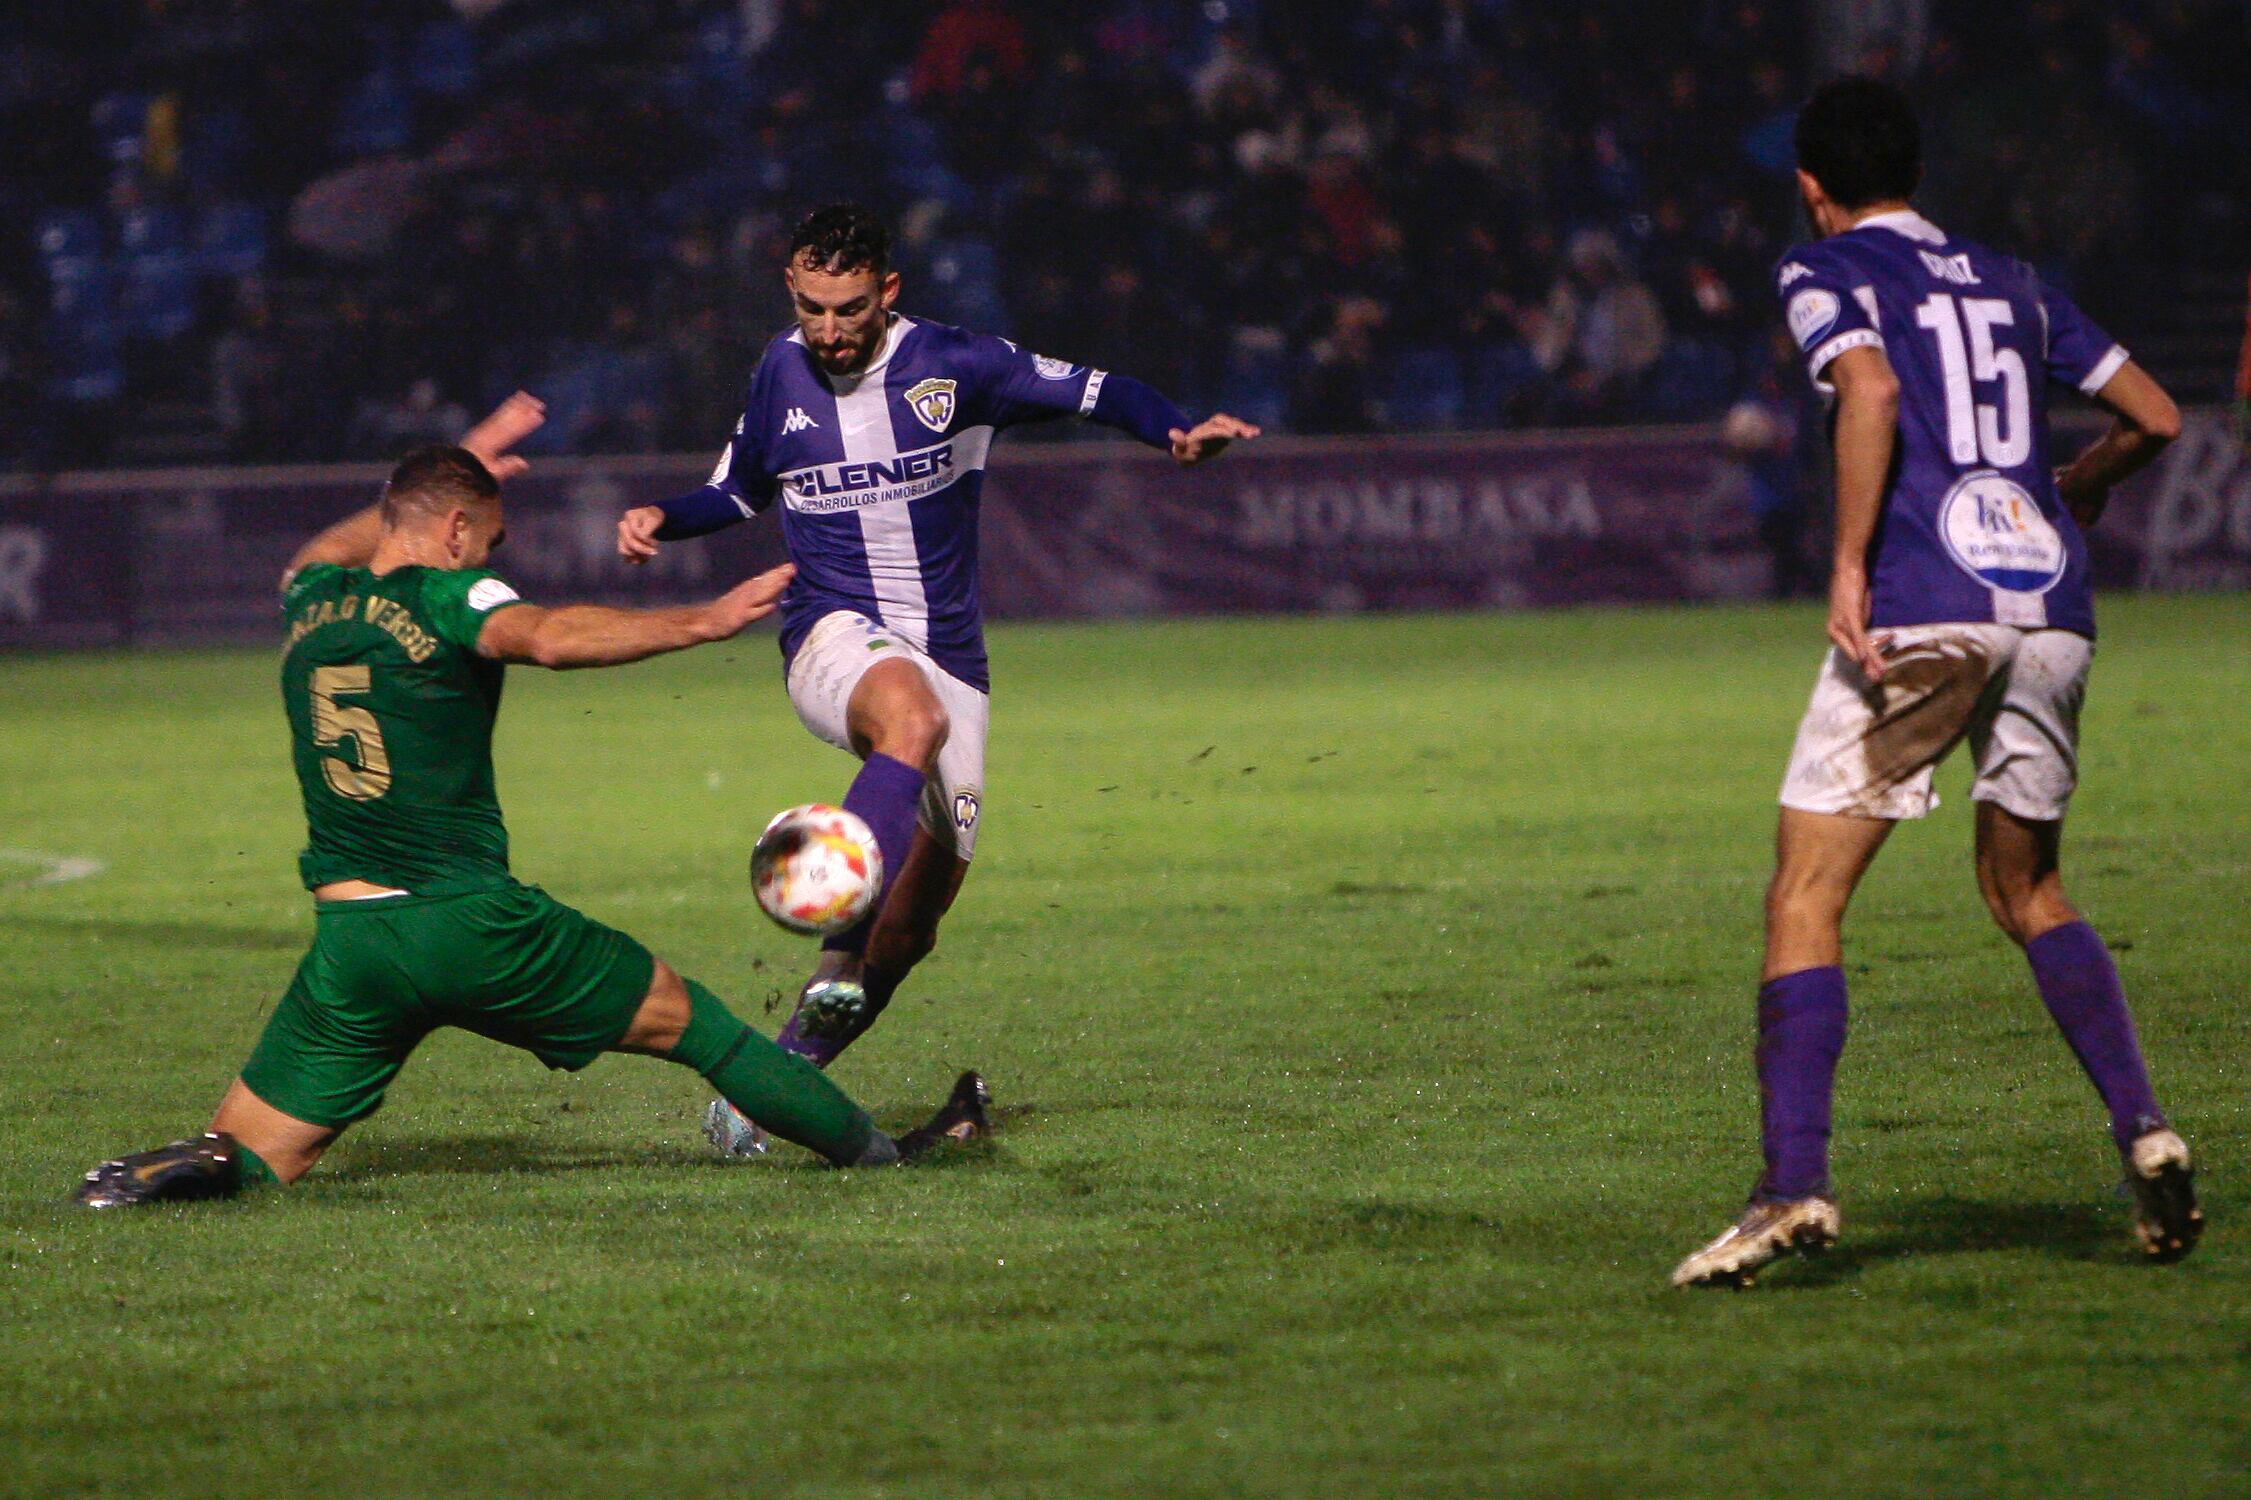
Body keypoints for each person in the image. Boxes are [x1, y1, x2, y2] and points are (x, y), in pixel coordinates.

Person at [75, 393, 988, 1208]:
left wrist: (461, 455)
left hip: (351, 943)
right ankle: (882, 1159)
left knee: (253, 1153)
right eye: (491, 537)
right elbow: (546, 636)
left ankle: (171, 1180)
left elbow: (331, 544)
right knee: (699, 1026)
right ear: (460, 530)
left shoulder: (311, 600)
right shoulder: (448, 595)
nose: (494, 554)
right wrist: (699, 621)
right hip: (470, 925)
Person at [1671, 78, 2198, 1287]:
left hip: (1924, 604)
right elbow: (2159, 415)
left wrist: (1848, 566)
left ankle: (1789, 1187)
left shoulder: (1826, 271)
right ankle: (2146, 1130)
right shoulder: (2010, 277)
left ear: (1812, 187)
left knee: (1804, 892)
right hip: (2048, 608)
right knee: (2027, 890)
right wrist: (2092, 476)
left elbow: (1870, 388)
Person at [615, 204, 1258, 1155]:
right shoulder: (778, 369)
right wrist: (661, 518)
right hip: (830, 630)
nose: (827, 330)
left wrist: (1171, 430)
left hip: (951, 652)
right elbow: (738, 488)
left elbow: (1094, 390)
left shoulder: (956, 365)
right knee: (905, 722)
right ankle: (835, 882)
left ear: (888, 291)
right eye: (809, 307)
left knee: (907, 933)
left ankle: (764, 1093)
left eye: (846, 308)